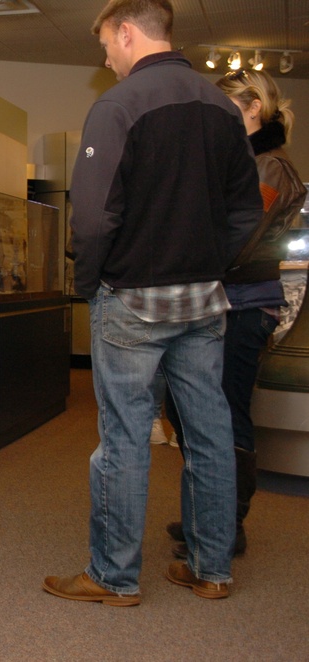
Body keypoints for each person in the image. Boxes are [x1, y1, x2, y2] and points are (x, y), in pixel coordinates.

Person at [42, 0, 262, 605]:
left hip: (133, 300)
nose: (105, 57)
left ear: (128, 32)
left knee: (124, 437)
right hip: (203, 300)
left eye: (107, 45)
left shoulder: (118, 106)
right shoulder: (222, 108)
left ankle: (113, 577)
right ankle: (212, 569)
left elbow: (90, 219)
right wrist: (213, 262)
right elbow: (248, 212)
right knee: (210, 433)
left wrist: (90, 283)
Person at [166, 68, 307, 560]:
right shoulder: (242, 160)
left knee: (224, 413)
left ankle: (225, 524)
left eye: (227, 106)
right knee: (187, 412)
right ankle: (209, 510)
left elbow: (238, 239)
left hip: (245, 306)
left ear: (253, 106)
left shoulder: (269, 167)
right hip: (219, 301)